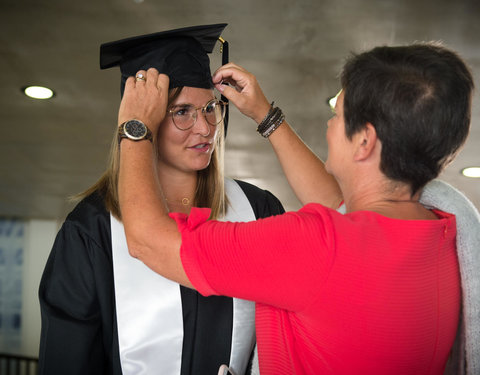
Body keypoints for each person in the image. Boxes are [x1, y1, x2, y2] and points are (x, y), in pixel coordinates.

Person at [116, 41, 477, 375]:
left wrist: (136, 126)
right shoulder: (439, 233)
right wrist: (265, 115)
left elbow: (149, 241)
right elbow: (341, 209)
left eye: (338, 114)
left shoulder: (314, 246)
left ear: (364, 141)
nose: (328, 125)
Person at [37, 24, 284, 375]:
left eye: (210, 108)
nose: (205, 128)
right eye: (182, 111)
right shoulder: (92, 231)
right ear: (144, 120)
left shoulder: (257, 209)